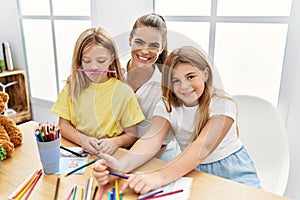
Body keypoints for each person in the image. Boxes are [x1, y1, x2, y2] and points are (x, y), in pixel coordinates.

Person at [93, 46, 261, 194]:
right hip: (192, 168)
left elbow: (202, 147)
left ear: (205, 73)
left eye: (190, 76)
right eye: (176, 80)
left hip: (233, 169)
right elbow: (151, 140)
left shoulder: (223, 103)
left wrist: (158, 176)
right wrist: (121, 166)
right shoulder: (167, 105)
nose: (184, 86)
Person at [51, 27, 145, 155]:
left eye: (101, 61)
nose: (94, 67)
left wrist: (115, 142)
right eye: (87, 61)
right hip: (77, 151)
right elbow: (63, 126)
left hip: (109, 155)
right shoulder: (72, 87)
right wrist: (82, 140)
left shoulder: (124, 92)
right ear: (79, 60)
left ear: (111, 58)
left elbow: (132, 134)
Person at [122, 13, 175, 159]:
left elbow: (160, 141)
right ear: (130, 39)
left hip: (155, 157)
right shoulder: (113, 72)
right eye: (139, 42)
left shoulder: (166, 87)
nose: (145, 51)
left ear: (162, 47)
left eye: (153, 45)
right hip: (117, 151)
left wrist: (128, 164)